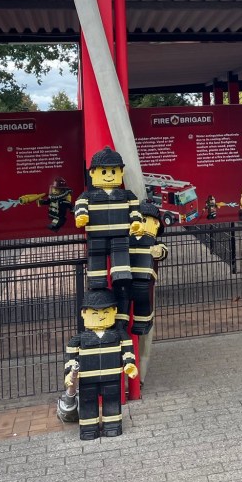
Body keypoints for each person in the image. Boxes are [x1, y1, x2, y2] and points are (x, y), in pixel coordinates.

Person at [64, 289, 138, 440]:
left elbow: (128, 351)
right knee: (87, 402)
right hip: (87, 379)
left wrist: (129, 364)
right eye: (95, 313)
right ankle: (88, 428)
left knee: (112, 401)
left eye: (105, 312)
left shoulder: (118, 335)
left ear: (114, 311)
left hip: (111, 377)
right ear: (84, 313)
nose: (100, 316)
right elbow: (71, 360)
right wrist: (69, 375)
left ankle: (113, 426)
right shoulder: (78, 339)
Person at [74, 147, 144, 289]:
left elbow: (135, 209)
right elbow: (80, 205)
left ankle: (121, 276)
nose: (109, 175)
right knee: (96, 257)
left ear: (121, 172)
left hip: (120, 235)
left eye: (113, 171)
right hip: (96, 236)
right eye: (104, 171)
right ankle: (96, 281)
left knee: (120, 256)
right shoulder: (87, 196)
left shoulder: (127, 195)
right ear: (93, 172)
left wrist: (136, 221)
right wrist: (81, 215)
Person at [114, 199, 167, 336]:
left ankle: (143, 322)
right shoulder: (127, 240)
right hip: (126, 274)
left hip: (144, 275)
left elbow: (163, 251)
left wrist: (160, 251)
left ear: (155, 224)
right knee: (122, 296)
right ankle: (121, 321)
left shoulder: (153, 242)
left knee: (142, 298)